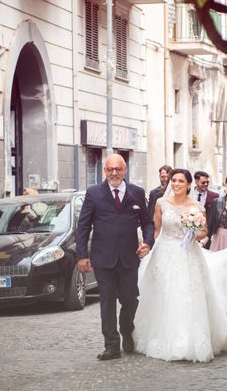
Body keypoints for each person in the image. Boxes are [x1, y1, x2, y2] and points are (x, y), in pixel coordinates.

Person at [134, 168, 227, 362]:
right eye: (173, 180)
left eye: (180, 181)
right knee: (164, 294)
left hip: (188, 253)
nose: (175, 184)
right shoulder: (161, 203)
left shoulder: (197, 206)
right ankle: (162, 336)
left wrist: (192, 229)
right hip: (164, 252)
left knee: (187, 294)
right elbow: (157, 230)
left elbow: (204, 232)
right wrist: (149, 249)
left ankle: (189, 339)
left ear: (188, 184)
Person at [76, 153, 154, 361]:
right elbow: (83, 225)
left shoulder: (136, 193)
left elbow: (147, 222)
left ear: (125, 170)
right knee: (107, 302)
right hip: (103, 259)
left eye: (118, 169)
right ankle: (111, 345)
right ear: (104, 171)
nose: (114, 173)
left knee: (130, 299)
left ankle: (126, 329)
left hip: (129, 257)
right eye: (110, 169)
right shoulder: (94, 193)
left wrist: (147, 242)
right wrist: (82, 255)